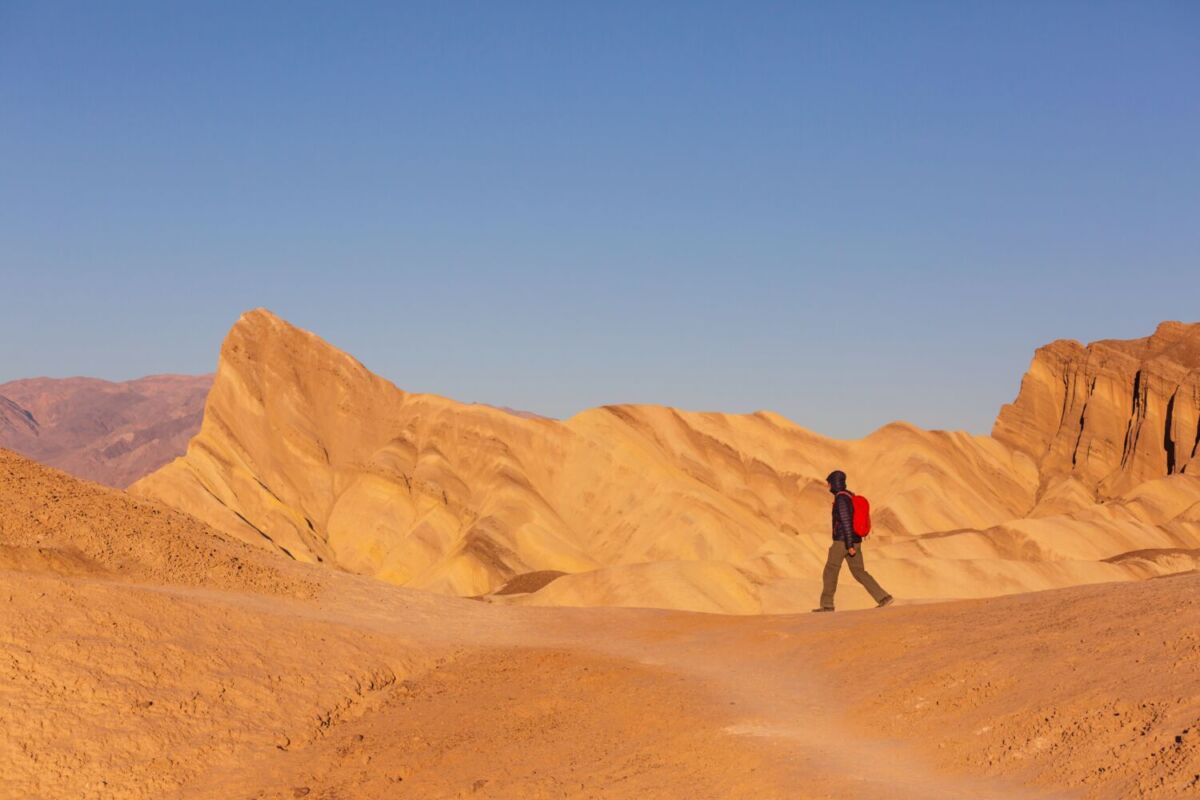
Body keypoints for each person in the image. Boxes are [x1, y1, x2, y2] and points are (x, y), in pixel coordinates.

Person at [813, 470, 893, 612]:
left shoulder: (841, 499)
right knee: (859, 571)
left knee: (830, 570)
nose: (828, 486)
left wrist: (849, 545)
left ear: (835, 483)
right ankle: (883, 597)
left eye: (829, 483)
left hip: (843, 542)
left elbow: (846, 522)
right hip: (855, 540)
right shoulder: (849, 496)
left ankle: (827, 605)